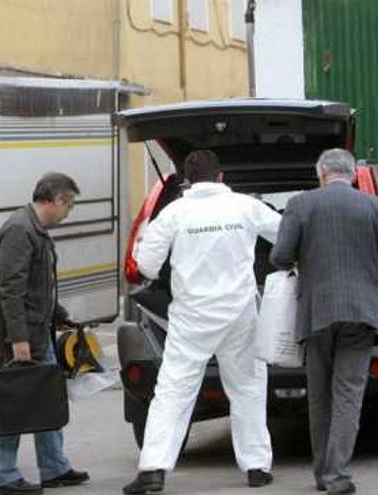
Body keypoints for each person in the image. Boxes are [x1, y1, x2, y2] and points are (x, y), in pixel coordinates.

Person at [124, 150, 279, 494]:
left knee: (173, 392)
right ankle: (255, 467)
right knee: (247, 388)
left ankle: (153, 468)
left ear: (187, 180)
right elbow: (285, 237)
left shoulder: (173, 213)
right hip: (240, 315)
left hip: (191, 319)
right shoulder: (245, 207)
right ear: (221, 176)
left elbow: (146, 266)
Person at [270, 148, 378, 495]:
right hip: (362, 314)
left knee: (319, 396)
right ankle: (338, 476)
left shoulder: (301, 204)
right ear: (352, 174)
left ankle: (323, 475)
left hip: (317, 313)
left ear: (321, 173)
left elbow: (280, 256)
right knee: (348, 395)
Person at [0, 173, 90, 495]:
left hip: (35, 328)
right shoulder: (21, 229)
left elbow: (38, 286)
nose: (69, 213)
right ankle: (4, 476)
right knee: (16, 401)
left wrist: (60, 314)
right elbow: (11, 289)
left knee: (43, 398)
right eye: (70, 205)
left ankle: (54, 467)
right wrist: (18, 338)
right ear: (57, 200)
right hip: (21, 335)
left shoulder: (36, 229)